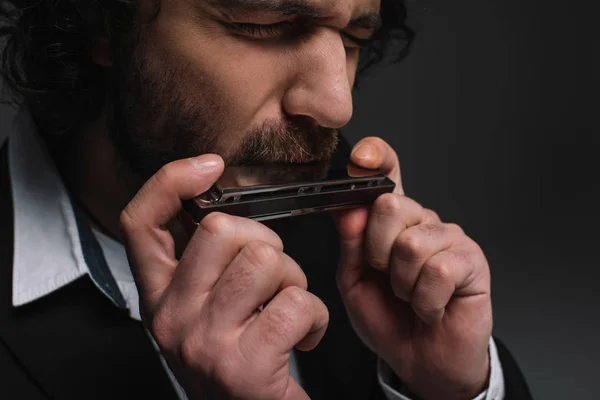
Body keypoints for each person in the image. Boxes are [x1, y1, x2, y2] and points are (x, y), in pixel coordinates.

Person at [0, 0, 533, 399]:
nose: (336, 105)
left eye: (353, 38)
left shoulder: (352, 229)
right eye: (266, 24)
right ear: (101, 23)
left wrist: (451, 390)